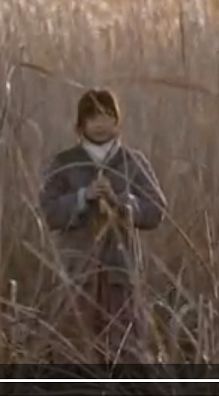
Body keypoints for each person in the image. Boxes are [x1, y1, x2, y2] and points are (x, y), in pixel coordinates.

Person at [39, 87, 167, 364]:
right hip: (78, 270)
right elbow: (49, 211)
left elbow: (156, 209)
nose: (100, 124)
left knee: (125, 344)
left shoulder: (133, 162)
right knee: (75, 346)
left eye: (107, 116)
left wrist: (122, 202)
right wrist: (82, 197)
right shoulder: (64, 163)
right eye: (92, 117)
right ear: (80, 124)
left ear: (117, 122)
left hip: (121, 270)